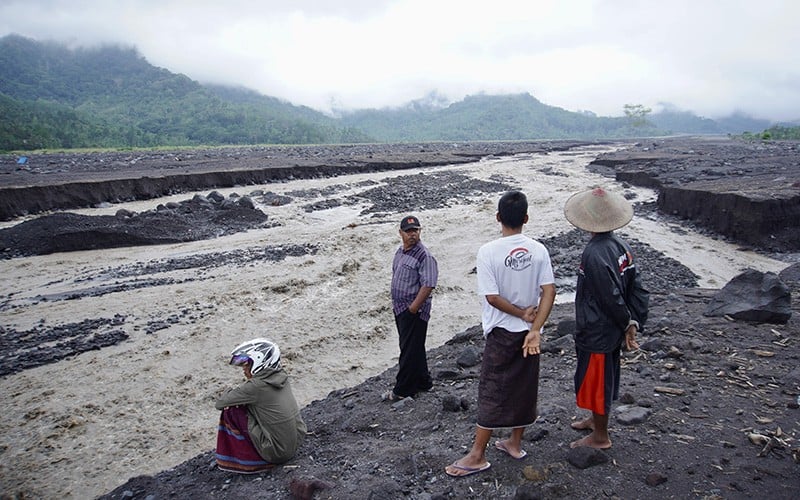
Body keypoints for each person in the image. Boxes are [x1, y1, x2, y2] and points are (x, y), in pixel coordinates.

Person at [445, 191, 556, 477]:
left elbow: (492, 297)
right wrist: (535, 328)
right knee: (525, 387)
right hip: (529, 334)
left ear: (497, 217)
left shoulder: (488, 251)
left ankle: (477, 455)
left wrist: (520, 314)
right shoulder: (539, 250)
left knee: (493, 390)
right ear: (526, 218)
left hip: (502, 332)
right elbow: (549, 291)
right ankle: (514, 444)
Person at [563, 187, 649, 449]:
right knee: (604, 375)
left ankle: (600, 436)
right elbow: (636, 286)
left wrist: (627, 323)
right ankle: (595, 421)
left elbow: (609, 296)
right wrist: (633, 320)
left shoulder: (594, 253)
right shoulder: (620, 246)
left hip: (598, 329)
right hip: (610, 328)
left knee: (597, 380)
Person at [215, 338, 307, 473]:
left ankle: (246, 460)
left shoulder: (255, 387)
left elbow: (220, 403)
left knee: (232, 410)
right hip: (296, 443)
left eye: (246, 364)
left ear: (258, 362)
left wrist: (230, 390)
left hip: (277, 453)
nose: (244, 368)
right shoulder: (281, 376)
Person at [384, 215, 439, 401]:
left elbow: (428, 284)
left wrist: (413, 309)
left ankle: (403, 390)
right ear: (400, 233)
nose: (412, 234)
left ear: (420, 231)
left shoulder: (425, 256)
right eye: (408, 231)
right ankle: (424, 382)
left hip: (414, 311)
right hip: (400, 308)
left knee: (408, 350)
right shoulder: (400, 252)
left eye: (415, 230)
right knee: (414, 346)